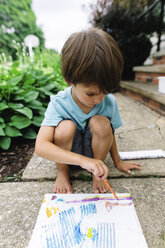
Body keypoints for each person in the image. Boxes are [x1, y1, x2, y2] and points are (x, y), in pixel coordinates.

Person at [35, 27, 142, 194]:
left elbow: (110, 134)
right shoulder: (59, 103)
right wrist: (83, 161)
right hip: (69, 155)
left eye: (106, 91)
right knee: (65, 128)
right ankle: (62, 173)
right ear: (70, 80)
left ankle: (97, 174)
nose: (99, 99)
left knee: (102, 123)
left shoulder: (108, 102)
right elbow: (41, 146)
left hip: (95, 154)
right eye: (90, 93)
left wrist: (117, 161)